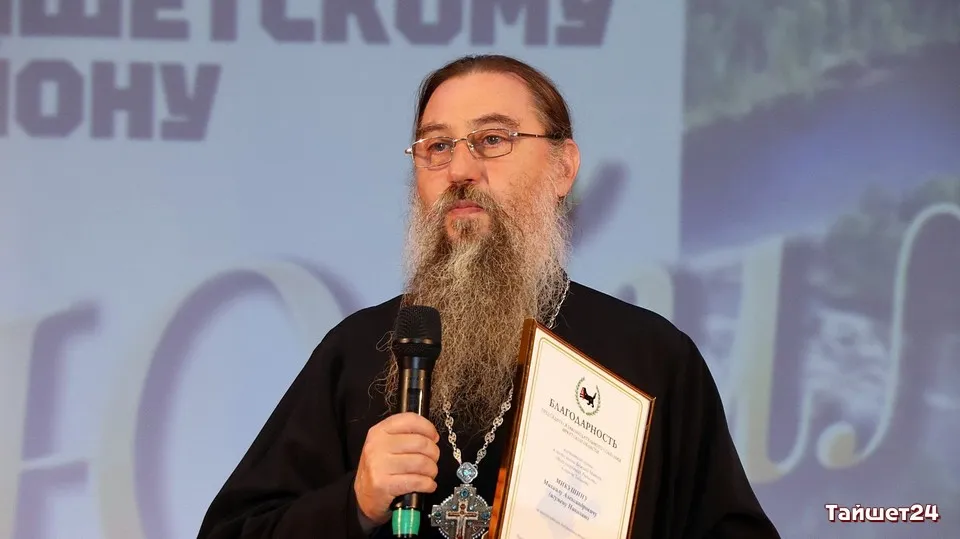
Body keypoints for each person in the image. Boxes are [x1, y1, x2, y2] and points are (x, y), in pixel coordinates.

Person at [196, 54, 781, 539]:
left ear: (562, 168)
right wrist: (354, 503)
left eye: (492, 139)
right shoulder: (359, 351)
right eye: (437, 147)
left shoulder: (647, 358)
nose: (459, 169)